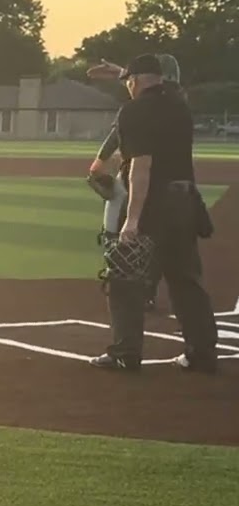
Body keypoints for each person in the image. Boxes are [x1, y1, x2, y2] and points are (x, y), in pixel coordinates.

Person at [90, 54, 218, 374]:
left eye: (128, 82)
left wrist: (131, 221)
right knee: (185, 279)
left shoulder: (134, 110)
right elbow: (160, 85)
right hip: (186, 201)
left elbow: (141, 167)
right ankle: (201, 352)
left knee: (125, 278)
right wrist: (124, 71)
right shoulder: (179, 105)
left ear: (134, 82)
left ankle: (125, 352)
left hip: (153, 203)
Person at [87, 54, 184, 311]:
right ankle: (148, 289)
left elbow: (124, 128)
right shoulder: (176, 102)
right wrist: (123, 72)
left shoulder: (140, 108)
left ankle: (125, 284)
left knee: (119, 229)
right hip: (176, 185)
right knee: (166, 245)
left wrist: (99, 161)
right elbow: (147, 90)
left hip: (138, 177)